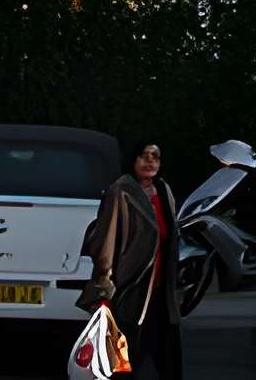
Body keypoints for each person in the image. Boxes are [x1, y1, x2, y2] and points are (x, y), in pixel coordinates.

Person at [81, 142, 183, 376]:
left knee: (168, 359)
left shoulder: (163, 190)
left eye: (155, 157)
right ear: (133, 160)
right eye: (144, 156)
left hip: (161, 292)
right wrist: (103, 288)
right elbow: (106, 241)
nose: (150, 162)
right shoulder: (121, 191)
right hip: (131, 291)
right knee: (126, 360)